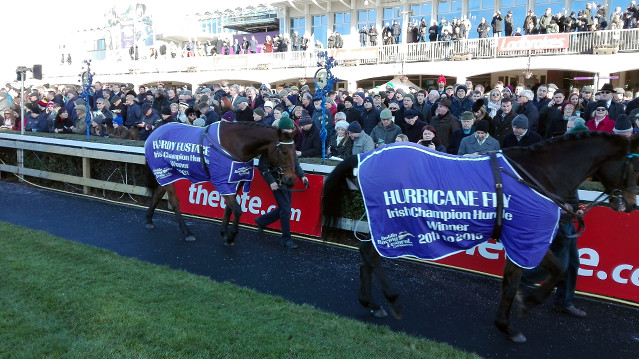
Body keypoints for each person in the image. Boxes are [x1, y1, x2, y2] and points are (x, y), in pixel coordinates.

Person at [519, 122, 589, 318]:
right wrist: (563, 205)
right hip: (556, 218)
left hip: (567, 217)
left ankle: (563, 301)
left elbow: (571, 191)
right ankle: (519, 282)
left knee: (572, 263)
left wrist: (575, 208)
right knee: (560, 264)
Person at [254, 116, 308, 249]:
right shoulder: (271, 144)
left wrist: (302, 176)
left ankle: (261, 221)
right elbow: (263, 166)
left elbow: (294, 162)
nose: (289, 131)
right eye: (286, 129)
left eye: (291, 129)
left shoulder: (290, 143)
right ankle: (286, 239)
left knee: (285, 209)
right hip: (277, 180)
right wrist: (271, 181)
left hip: (288, 179)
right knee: (285, 210)